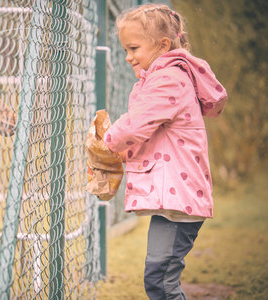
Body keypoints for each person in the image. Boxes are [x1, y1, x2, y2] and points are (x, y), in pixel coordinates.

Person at [102, 3, 228, 299]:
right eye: (124, 50)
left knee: (161, 281)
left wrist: (106, 141)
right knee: (157, 277)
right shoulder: (164, 78)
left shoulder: (169, 78)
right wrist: (124, 152)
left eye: (133, 48)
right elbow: (152, 134)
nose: (127, 57)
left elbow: (136, 124)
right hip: (173, 203)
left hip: (179, 201)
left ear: (163, 45)